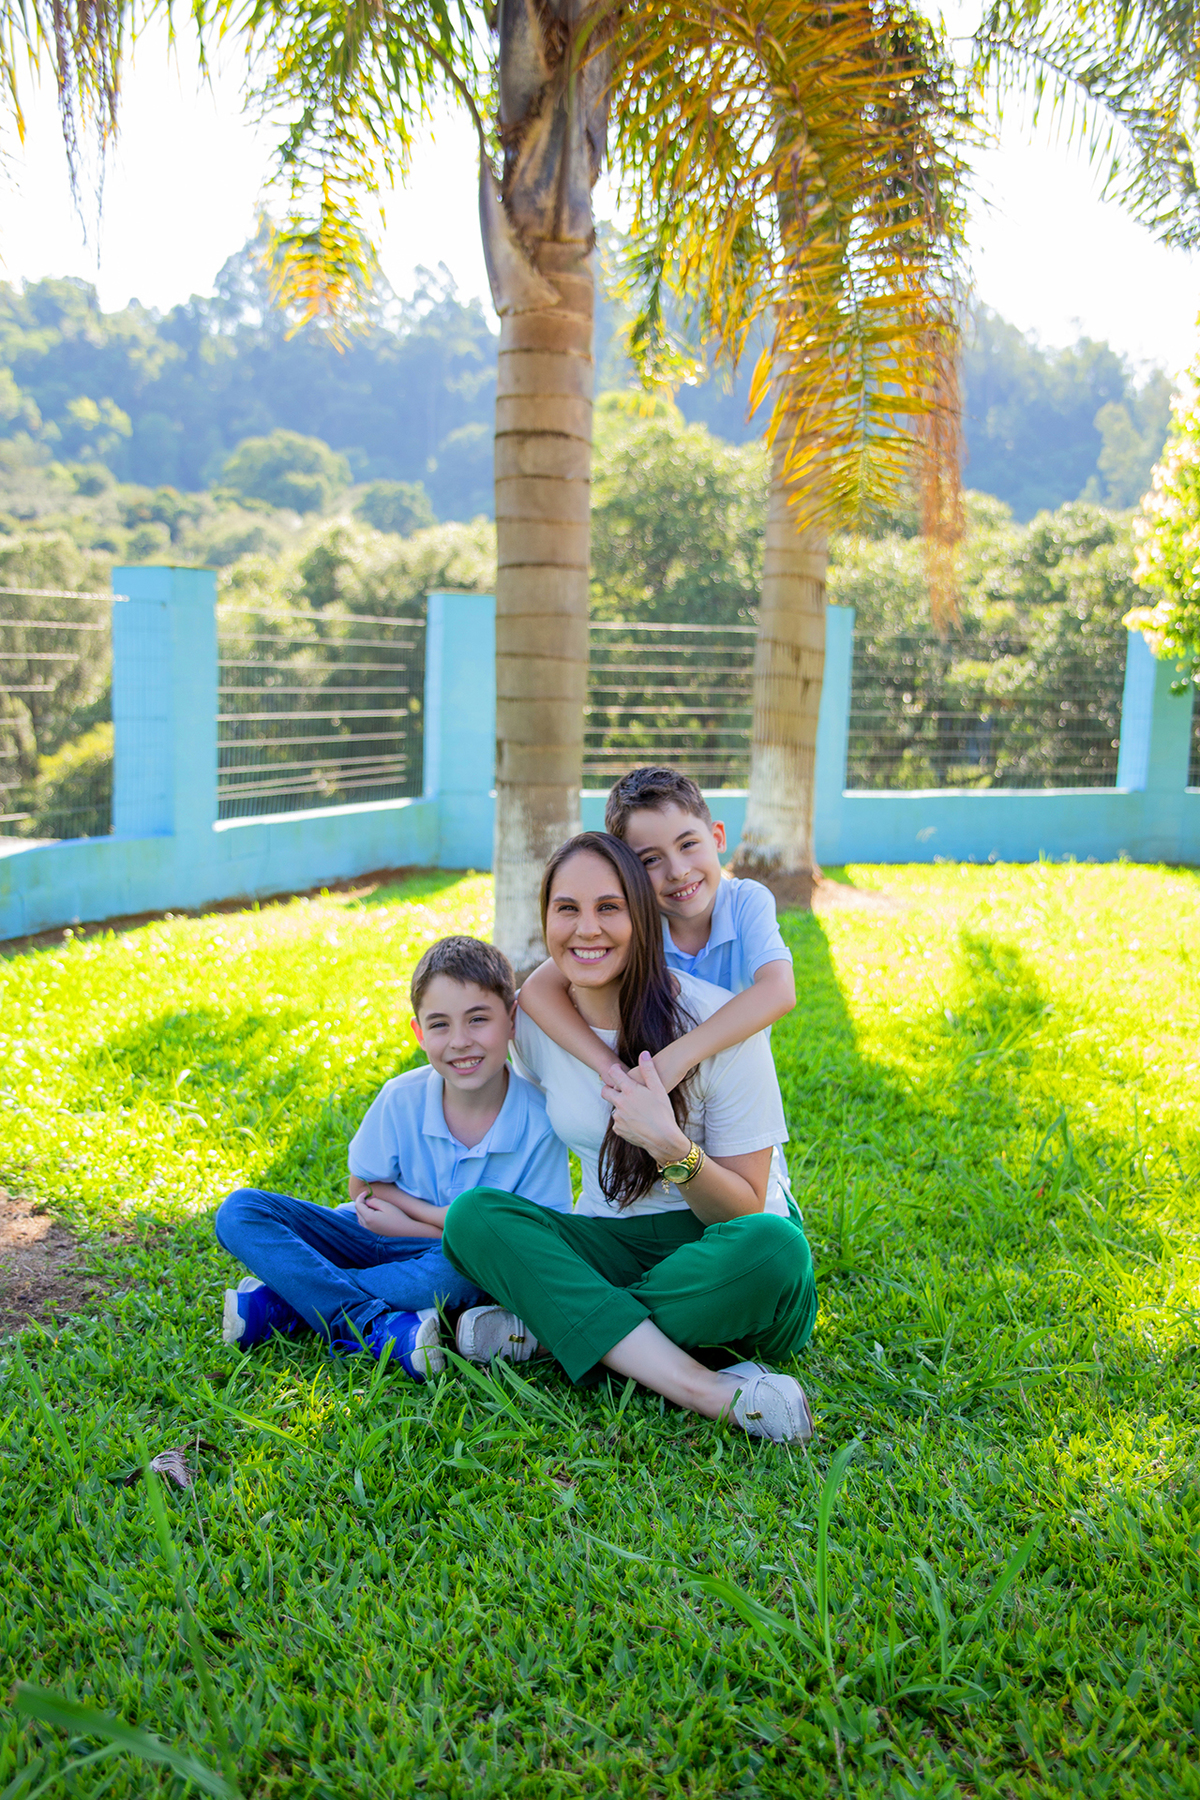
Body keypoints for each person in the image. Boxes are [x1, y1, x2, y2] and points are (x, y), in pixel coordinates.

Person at [441, 833, 818, 1443]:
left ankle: (554, 1326)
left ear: (642, 918)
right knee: (474, 1219)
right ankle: (708, 1388)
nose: (586, 929)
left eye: (608, 908)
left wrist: (673, 1148)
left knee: (775, 1249)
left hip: (719, 1251)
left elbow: (746, 1208)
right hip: (613, 1236)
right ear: (545, 919)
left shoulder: (717, 1025)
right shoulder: (538, 1028)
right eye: (567, 909)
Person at [214, 936, 571, 1379]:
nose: (460, 1041)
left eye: (478, 1019)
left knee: (458, 1275)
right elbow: (362, 1189)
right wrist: (393, 1223)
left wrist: (413, 1222)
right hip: (367, 1237)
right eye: (439, 1025)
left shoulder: (538, 1119)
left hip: (452, 1256)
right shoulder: (401, 1096)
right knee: (240, 1211)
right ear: (419, 1032)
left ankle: (288, 1300)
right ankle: (373, 1324)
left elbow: (528, 1240)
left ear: (512, 1019)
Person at [519, 765, 796, 1094]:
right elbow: (536, 992)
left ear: (717, 836)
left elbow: (779, 990)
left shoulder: (746, 901)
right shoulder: (632, 922)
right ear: (629, 872)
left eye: (688, 844)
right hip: (659, 1088)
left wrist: (679, 1057)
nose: (678, 871)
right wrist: (613, 1070)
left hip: (736, 1077)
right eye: (650, 860)